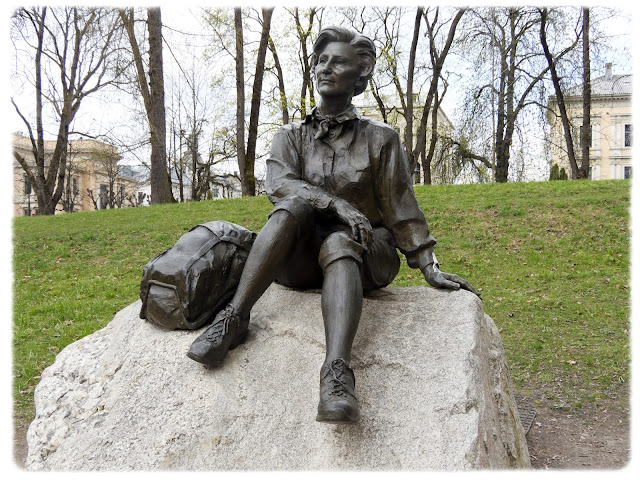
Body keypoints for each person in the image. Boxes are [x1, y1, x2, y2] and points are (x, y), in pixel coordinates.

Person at [187, 26, 480, 424]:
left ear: (359, 77)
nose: (326, 68)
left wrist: (429, 266)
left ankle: (337, 374)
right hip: (301, 258)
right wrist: (336, 204)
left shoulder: (381, 139)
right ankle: (234, 319)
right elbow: (280, 183)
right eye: (321, 60)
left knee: (341, 243)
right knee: (292, 207)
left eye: (338, 61)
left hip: (365, 253)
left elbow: (400, 206)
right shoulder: (290, 136)